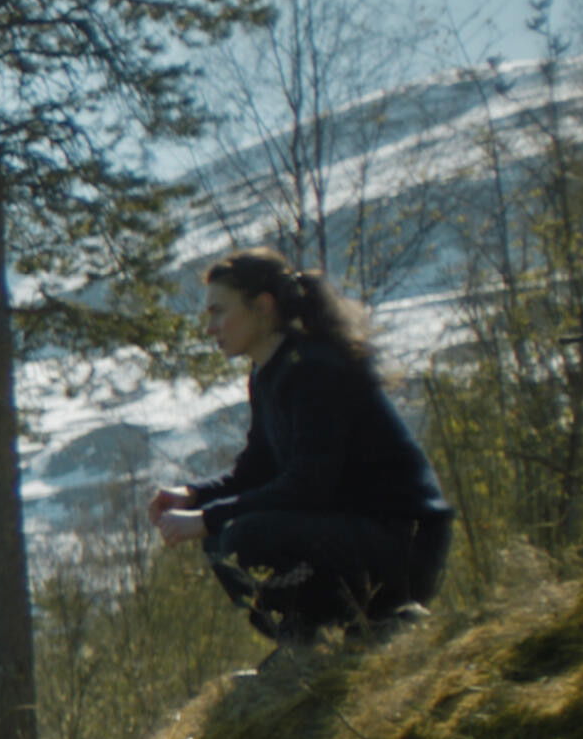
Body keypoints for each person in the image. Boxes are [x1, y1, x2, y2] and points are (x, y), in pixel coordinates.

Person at [148, 249, 456, 643]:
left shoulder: (315, 369)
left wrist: (207, 517)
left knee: (241, 534)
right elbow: (254, 473)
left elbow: (308, 485)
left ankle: (375, 621)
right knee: (219, 536)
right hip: (357, 536)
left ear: (262, 306)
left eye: (218, 311)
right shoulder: (269, 373)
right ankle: (301, 640)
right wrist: (192, 496)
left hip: (404, 546)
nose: (210, 327)